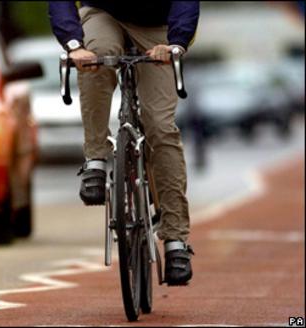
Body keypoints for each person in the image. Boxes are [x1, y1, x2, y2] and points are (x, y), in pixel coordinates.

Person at [48, 1, 199, 285]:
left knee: (161, 127)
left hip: (158, 25)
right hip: (104, 13)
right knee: (97, 56)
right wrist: (73, 45)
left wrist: (176, 44)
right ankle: (95, 159)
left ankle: (176, 241)